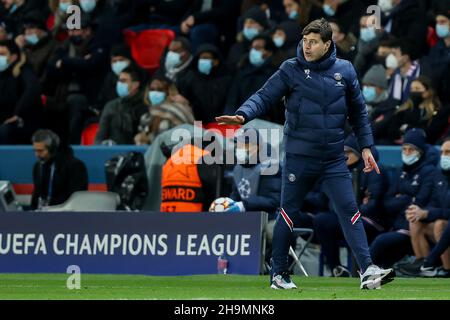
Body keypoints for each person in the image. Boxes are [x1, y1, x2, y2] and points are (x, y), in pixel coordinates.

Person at [217, 18, 395, 290]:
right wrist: (243, 115)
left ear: (327, 44)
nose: (307, 46)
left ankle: (367, 269)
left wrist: (367, 147)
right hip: (300, 157)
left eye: (313, 42)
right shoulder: (291, 69)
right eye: (304, 41)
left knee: (349, 209)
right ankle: (278, 275)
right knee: (288, 212)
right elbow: (264, 96)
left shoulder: (345, 71)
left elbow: (359, 113)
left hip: (334, 158)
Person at [314, 134, 387, 277]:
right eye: (342, 152)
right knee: (322, 220)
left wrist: (353, 209)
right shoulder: (336, 171)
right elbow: (327, 199)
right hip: (343, 215)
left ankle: (366, 268)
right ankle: (336, 267)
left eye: (348, 152)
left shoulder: (372, 170)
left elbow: (373, 203)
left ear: (359, 153)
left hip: (370, 219)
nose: (344, 155)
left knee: (353, 222)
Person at [370, 128, 436, 269]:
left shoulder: (428, 171)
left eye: (410, 150)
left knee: (381, 242)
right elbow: (387, 203)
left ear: (420, 151)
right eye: (404, 149)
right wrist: (407, 198)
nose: (406, 153)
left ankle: (362, 272)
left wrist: (401, 198)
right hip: (396, 223)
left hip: (413, 224)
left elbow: (420, 200)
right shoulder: (402, 171)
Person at [395, 138, 450, 276]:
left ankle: (446, 269)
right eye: (442, 152)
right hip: (443, 220)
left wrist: (428, 214)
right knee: (415, 220)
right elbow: (434, 203)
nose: (444, 156)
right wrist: (422, 212)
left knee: (440, 225)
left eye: (448, 152)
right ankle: (424, 266)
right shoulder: (440, 175)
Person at [31, 129, 88, 210]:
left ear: (52, 149)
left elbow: (77, 200)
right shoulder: (38, 166)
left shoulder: (75, 166)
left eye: (40, 151)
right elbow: (36, 195)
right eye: (35, 150)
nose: (37, 154)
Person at [0, 39, 42, 144]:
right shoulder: (2, 74)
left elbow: (32, 90)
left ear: (13, 57)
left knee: (5, 131)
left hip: (23, 122)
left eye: (2, 54)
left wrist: (18, 113)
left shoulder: (24, 72)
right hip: (4, 119)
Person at [134, 76, 194, 145]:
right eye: (152, 89)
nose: (155, 92)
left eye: (159, 90)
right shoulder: (146, 117)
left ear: (169, 92)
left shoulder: (180, 110)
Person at [95, 65, 147, 145]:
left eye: (123, 81)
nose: (119, 84)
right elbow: (99, 138)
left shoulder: (147, 106)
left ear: (135, 85)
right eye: (118, 81)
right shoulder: (111, 106)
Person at [179, 43, 232, 123]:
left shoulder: (226, 79)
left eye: (206, 58)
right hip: (196, 122)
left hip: (220, 123)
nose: (202, 61)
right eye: (201, 58)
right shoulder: (190, 77)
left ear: (216, 61)